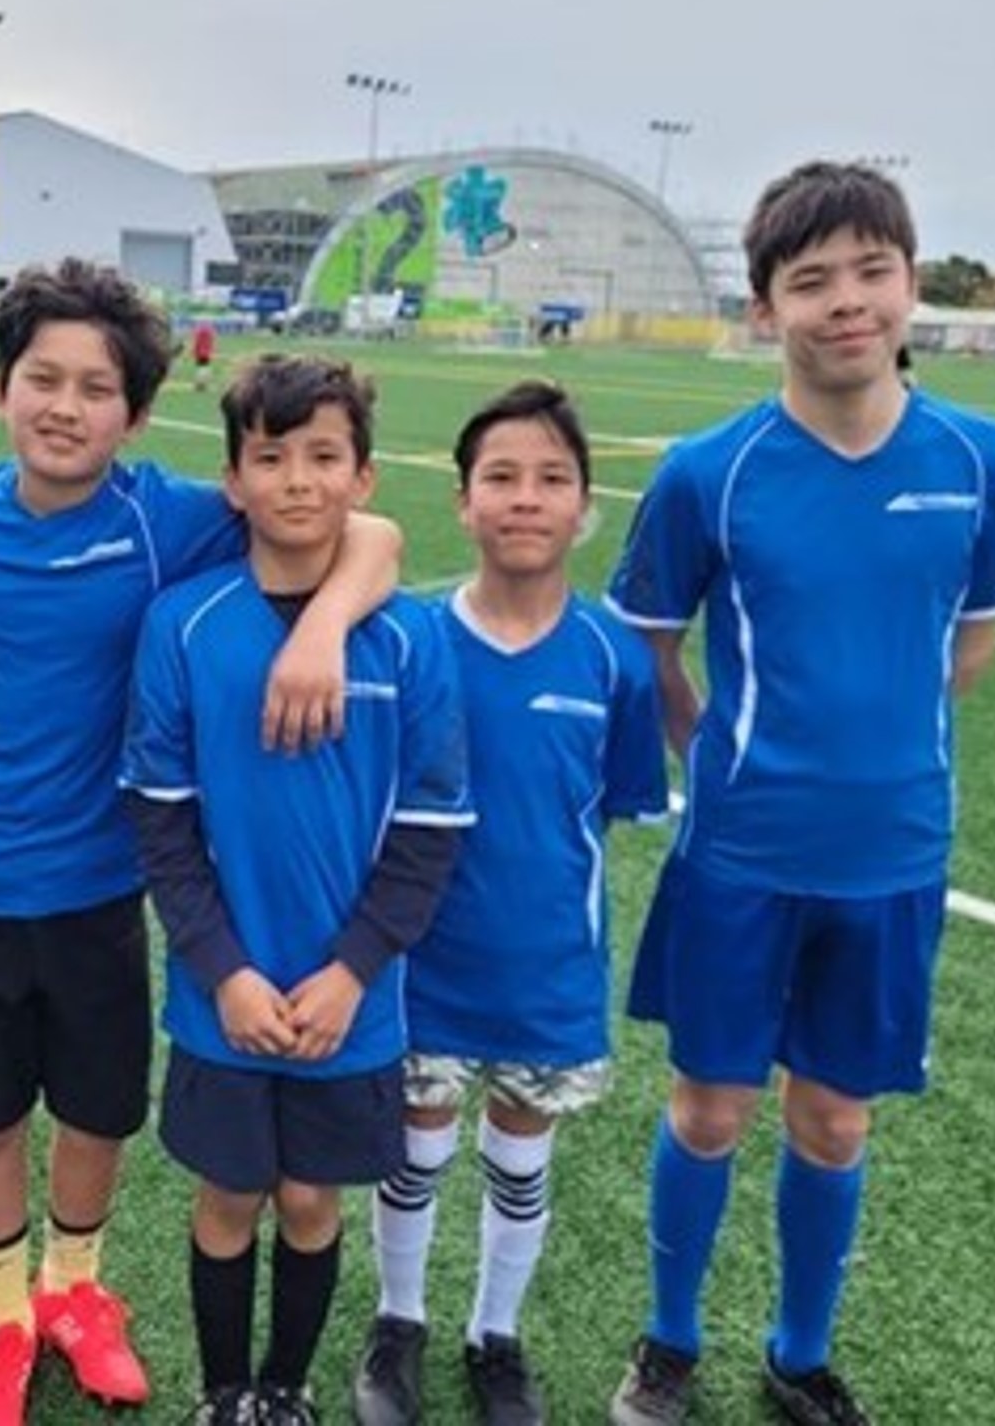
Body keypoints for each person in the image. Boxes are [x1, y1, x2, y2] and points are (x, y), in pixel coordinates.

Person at [0, 259, 404, 1426]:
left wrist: (326, 623)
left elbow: (369, 529)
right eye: (42, 378)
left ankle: (73, 1292)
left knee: (94, 1109)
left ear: (133, 416)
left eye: (95, 388)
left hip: (97, 879)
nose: (65, 405)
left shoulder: (165, 522)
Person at [601, 163, 995, 1426]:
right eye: (809, 281)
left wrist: (882, 742)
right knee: (706, 1104)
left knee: (836, 1117)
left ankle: (796, 1353)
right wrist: (716, 756)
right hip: (738, 847)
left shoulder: (980, 460)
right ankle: (667, 1342)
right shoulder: (709, 471)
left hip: (893, 852)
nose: (843, 303)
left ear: (907, 284)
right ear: (762, 308)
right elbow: (648, 643)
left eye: (869, 272)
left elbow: (969, 640)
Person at [121, 354, 470, 1426]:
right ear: (230, 481)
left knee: (312, 1199)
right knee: (227, 1196)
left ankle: (286, 1384)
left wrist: (350, 973)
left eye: (323, 455)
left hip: (347, 1005)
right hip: (222, 995)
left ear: (364, 478)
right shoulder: (182, 623)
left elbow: (426, 834)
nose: (296, 479)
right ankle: (223, 1390)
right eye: (268, 456)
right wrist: (222, 972)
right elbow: (162, 822)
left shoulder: (408, 638)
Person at [354, 382, 672, 1426]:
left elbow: (618, 802)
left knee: (518, 1150)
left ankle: (496, 1332)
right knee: (414, 1143)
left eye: (550, 478)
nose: (523, 498)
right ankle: (396, 1320)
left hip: (545, 964)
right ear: (461, 501)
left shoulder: (612, 658)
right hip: (418, 956)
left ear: (583, 504)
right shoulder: (406, 637)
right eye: (499, 476)